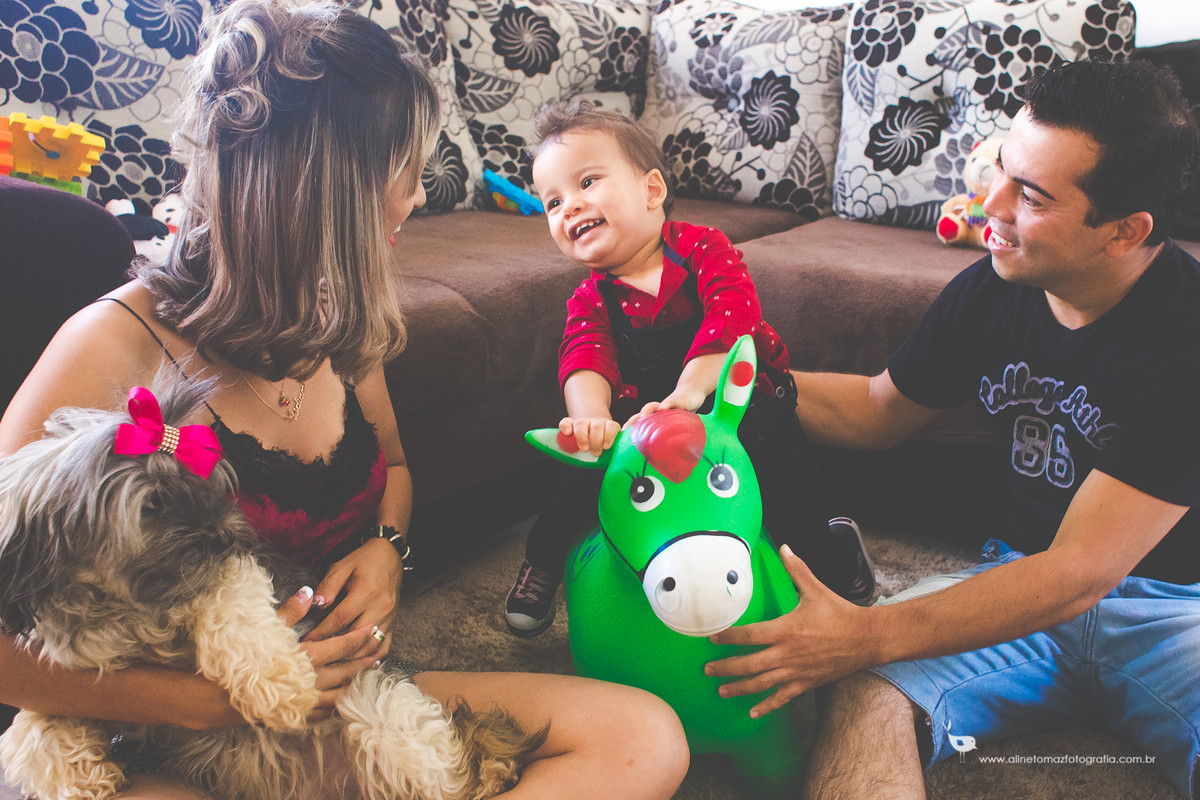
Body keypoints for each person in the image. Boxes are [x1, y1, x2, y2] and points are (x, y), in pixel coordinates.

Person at [0, 2, 690, 797]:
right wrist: (189, 701)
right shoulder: (109, 347)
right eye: (402, 173)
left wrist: (387, 551)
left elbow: (392, 461)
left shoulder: (335, 314)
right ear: (324, 189)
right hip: (154, 738)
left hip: (339, 701)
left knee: (643, 740)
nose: (417, 199)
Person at [703, 59, 1200, 799]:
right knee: (866, 688)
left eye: (1029, 195)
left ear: (1124, 232)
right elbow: (877, 411)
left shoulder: (1185, 340)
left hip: (1174, 612)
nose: (988, 203)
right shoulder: (990, 291)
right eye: (1002, 170)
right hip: (1010, 582)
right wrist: (737, 382)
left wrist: (861, 631)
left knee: (859, 647)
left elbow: (1079, 572)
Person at [503, 99, 876, 638]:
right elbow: (584, 358)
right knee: (575, 482)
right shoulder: (590, 297)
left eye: (587, 182)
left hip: (739, 400)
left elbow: (733, 316)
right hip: (646, 421)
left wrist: (693, 389)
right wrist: (592, 418)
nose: (569, 207)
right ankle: (543, 561)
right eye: (553, 201)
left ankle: (833, 556)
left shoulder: (704, 249)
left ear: (652, 191)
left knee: (785, 477)